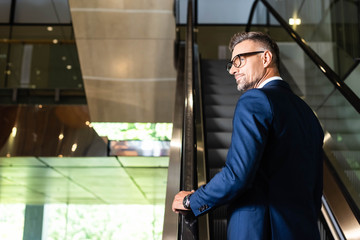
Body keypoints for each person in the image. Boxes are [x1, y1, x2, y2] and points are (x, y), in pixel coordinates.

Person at [172, 31, 324, 239]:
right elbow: (315, 188)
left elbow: (237, 175)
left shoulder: (255, 99)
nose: (233, 70)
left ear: (266, 58)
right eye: (231, 64)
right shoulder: (308, 114)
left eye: (239, 61)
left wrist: (192, 201)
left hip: (260, 230)